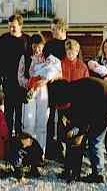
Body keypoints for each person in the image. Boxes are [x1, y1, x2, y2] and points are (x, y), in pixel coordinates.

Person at [50, 77, 107, 184]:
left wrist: (74, 132)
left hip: (106, 105)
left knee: (95, 141)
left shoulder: (76, 96)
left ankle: (98, 174)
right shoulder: (75, 86)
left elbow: (85, 124)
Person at [57, 39, 89, 180]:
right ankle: (66, 168)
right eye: (68, 52)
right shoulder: (60, 64)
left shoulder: (82, 67)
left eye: (73, 52)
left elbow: (87, 86)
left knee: (77, 139)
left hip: (79, 108)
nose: (71, 54)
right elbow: (56, 86)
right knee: (66, 138)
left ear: (77, 52)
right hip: (64, 106)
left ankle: (76, 170)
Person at [18, 34, 53, 154]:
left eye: (39, 47)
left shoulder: (47, 58)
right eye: (34, 46)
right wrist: (30, 84)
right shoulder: (25, 57)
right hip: (30, 91)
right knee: (28, 122)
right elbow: (20, 76)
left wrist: (46, 80)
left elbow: (54, 72)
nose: (37, 49)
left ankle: (40, 153)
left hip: (43, 91)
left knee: (42, 123)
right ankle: (27, 152)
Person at [0, 14, 30, 136]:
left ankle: (20, 143)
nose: (11, 29)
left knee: (21, 117)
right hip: (8, 82)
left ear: (20, 26)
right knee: (8, 116)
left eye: (14, 27)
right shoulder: (4, 39)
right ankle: (8, 144)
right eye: (9, 26)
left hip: (22, 83)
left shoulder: (27, 40)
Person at [42, 18, 68, 161]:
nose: (52, 32)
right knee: (50, 118)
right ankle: (50, 148)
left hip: (65, 87)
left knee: (63, 119)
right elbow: (44, 63)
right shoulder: (49, 45)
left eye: (54, 29)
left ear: (61, 29)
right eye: (51, 29)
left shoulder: (70, 45)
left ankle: (62, 149)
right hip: (50, 87)